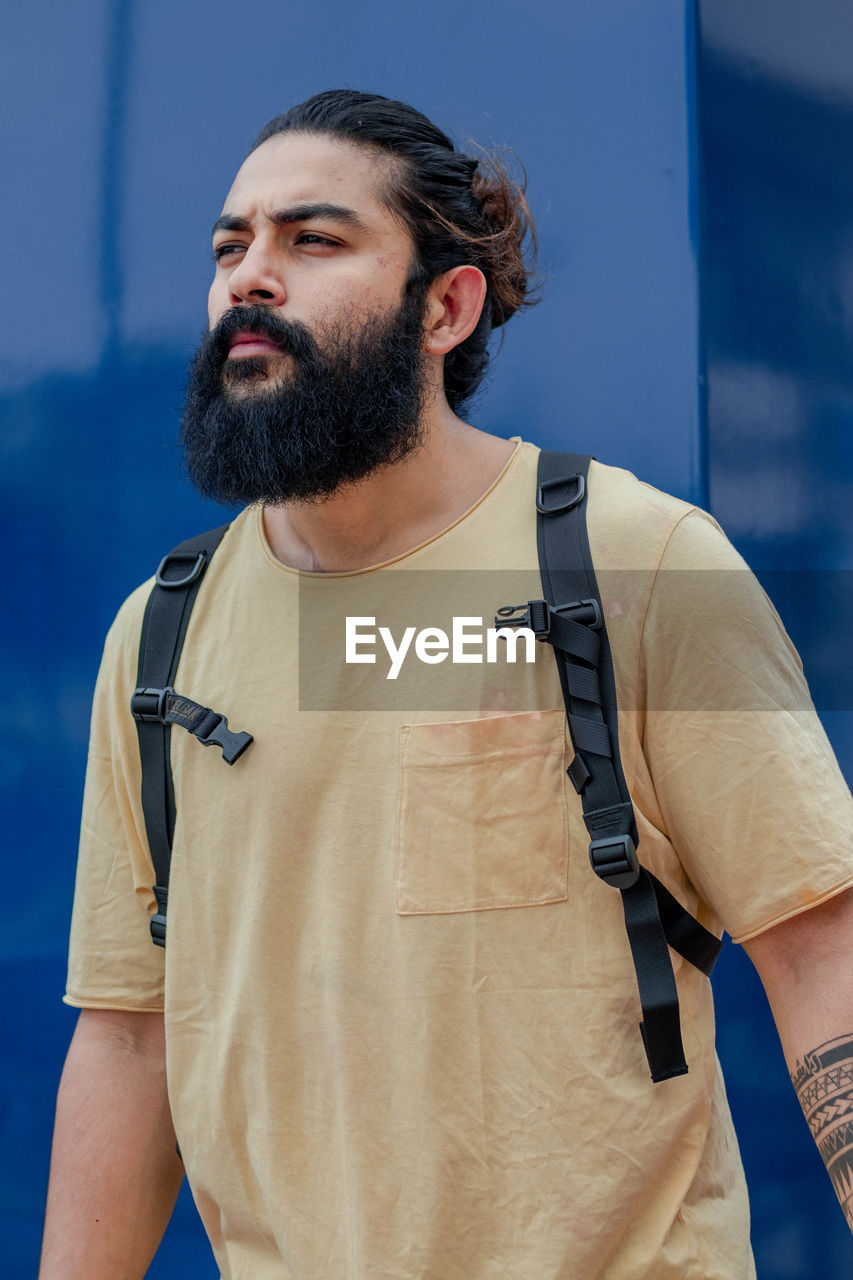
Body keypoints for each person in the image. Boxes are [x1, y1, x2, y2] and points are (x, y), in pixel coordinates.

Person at [40, 89, 853, 1279]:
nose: (249, 279)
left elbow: (821, 955)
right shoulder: (161, 634)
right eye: (231, 247)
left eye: (311, 240)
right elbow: (126, 1037)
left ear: (446, 305)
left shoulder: (636, 567)